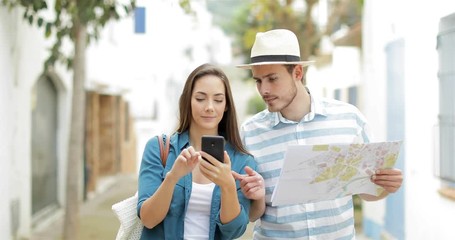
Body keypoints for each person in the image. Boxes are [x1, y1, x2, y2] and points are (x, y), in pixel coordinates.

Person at [232, 29, 404, 239]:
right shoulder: (250, 133)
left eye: (272, 78)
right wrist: (252, 196)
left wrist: (386, 186)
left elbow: (367, 192)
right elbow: (249, 214)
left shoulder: (349, 119)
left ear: (297, 73)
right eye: (258, 80)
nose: (264, 89)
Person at [137, 63, 256, 239]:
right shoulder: (158, 148)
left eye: (218, 100)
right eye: (200, 98)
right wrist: (173, 177)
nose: (209, 107)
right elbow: (148, 219)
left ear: (226, 105)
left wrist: (228, 186)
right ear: (188, 101)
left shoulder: (242, 160)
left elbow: (234, 232)